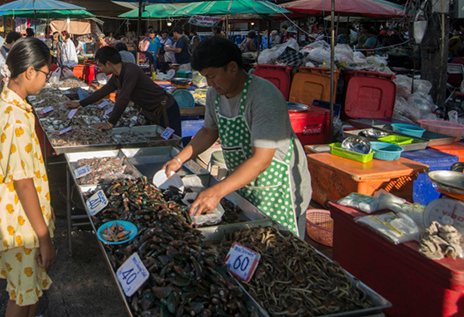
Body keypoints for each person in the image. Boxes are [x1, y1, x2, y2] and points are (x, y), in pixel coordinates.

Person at [161, 37, 311, 238]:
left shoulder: (264, 97)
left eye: (212, 76)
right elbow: (208, 131)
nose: (208, 83)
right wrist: (179, 159)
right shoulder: (215, 95)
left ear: (232, 67)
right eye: (205, 77)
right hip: (243, 184)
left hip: (278, 191)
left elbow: (261, 160)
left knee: (281, 248)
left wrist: (217, 191)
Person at [0, 38, 55, 316]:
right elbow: (22, 181)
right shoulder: (14, 117)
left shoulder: (11, 105)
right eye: (46, 73)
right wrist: (44, 237)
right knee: (21, 296)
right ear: (30, 72)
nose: (46, 79)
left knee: (30, 292)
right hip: (19, 227)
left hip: (19, 219)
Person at [66, 46, 181, 137]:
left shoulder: (130, 70)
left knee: (172, 141)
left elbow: (123, 98)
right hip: (152, 111)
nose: (100, 69)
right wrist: (80, 103)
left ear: (109, 63)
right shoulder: (116, 76)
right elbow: (102, 92)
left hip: (166, 109)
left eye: (101, 65)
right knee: (159, 142)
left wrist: (110, 123)